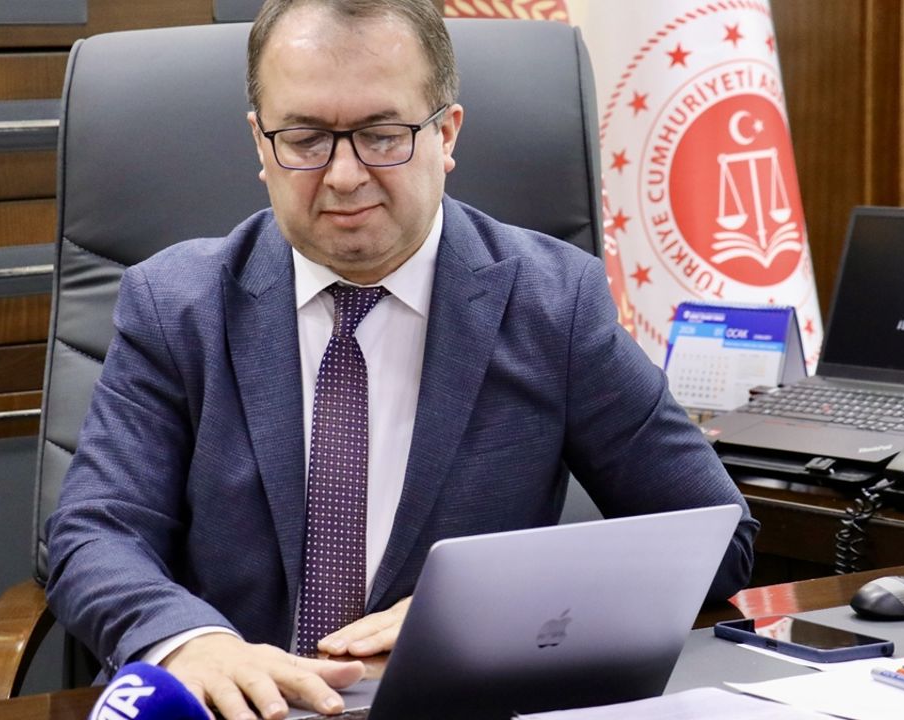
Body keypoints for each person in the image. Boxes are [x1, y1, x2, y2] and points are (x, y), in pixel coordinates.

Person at [45, 1, 760, 719]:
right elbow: (95, 532)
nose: (344, 175)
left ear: (446, 134)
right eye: (305, 138)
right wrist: (190, 642)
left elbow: (716, 534)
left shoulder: (553, 303)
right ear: (260, 144)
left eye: (382, 136)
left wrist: (490, 607)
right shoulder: (176, 306)